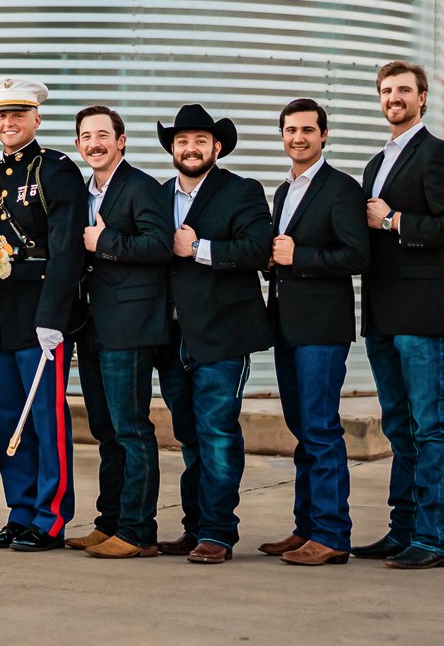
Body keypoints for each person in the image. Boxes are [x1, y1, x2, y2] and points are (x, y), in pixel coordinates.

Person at [355, 61, 444, 570]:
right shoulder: (376, 162)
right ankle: (403, 529)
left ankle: (436, 538)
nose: (394, 98)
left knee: (433, 426)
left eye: (404, 90)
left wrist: (395, 219)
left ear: (422, 98)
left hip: (424, 314)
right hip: (382, 312)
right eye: (387, 91)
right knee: (400, 427)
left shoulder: (438, 154)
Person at [153, 104, 273, 565]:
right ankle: (194, 526)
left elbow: (257, 249)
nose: (191, 147)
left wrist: (198, 248)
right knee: (188, 436)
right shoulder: (159, 195)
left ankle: (219, 532)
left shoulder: (242, 191)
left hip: (223, 333)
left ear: (216, 147)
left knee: (218, 432)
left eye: (200, 140)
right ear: (172, 149)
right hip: (172, 337)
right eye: (182, 141)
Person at [257, 99, 369, 566]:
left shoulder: (341, 189)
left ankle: (331, 535)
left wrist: (296, 257)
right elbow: (283, 255)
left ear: (324, 135)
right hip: (286, 323)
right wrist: (272, 262)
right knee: (302, 428)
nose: (297, 137)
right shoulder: (285, 192)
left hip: (322, 329)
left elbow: (357, 256)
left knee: (321, 429)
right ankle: (305, 528)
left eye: (307, 129)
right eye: (290, 130)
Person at [0, 77, 85, 552]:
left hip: (41, 316)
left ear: (36, 119)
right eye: (1, 116)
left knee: (46, 419)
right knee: (9, 419)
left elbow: (65, 250)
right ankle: (20, 513)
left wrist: (53, 317)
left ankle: (51, 517)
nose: (9, 123)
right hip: (1, 316)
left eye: (18, 114)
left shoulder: (56, 169)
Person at [73, 105, 173, 560]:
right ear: (78, 145)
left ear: (121, 140)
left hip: (130, 328)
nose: (94, 143)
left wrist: (105, 242)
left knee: (131, 428)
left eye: (102, 135)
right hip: (91, 326)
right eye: (86, 137)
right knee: (105, 430)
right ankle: (108, 522)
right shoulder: (82, 191)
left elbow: (159, 245)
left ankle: (138, 531)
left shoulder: (141, 187)